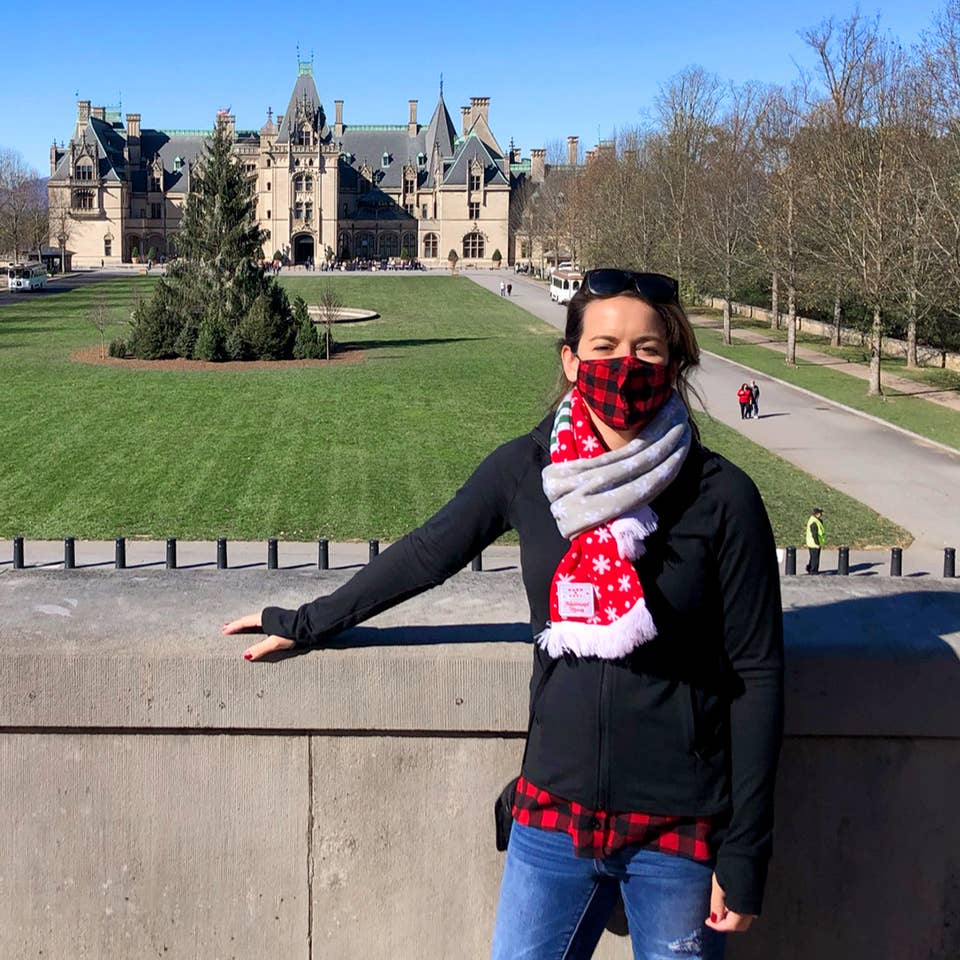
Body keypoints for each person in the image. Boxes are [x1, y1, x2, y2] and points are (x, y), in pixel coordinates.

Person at [224, 268, 784, 960]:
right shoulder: (530, 469)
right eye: (604, 347)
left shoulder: (722, 496)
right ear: (570, 359)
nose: (624, 366)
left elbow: (757, 675)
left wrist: (746, 852)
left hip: (678, 826)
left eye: (646, 350)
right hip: (552, 811)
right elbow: (430, 551)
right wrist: (306, 620)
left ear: (675, 362)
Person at [805, 507, 825, 574]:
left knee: (812, 557)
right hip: (814, 544)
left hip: (811, 543)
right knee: (815, 559)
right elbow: (815, 534)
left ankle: (809, 569)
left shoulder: (813, 520)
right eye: (820, 513)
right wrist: (817, 544)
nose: (821, 514)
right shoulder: (814, 522)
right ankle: (813, 571)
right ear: (817, 514)